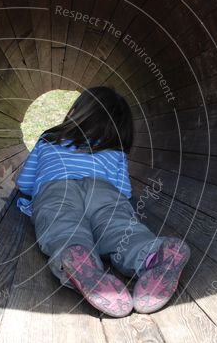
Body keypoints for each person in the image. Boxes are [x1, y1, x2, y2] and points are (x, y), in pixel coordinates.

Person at [15, 86, 190, 317]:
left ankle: (79, 259)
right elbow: (124, 192)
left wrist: (33, 194)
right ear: (121, 128)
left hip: (57, 189)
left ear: (76, 111)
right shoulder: (116, 152)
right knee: (119, 228)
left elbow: (25, 183)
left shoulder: (49, 139)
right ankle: (153, 253)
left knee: (64, 227)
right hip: (103, 189)